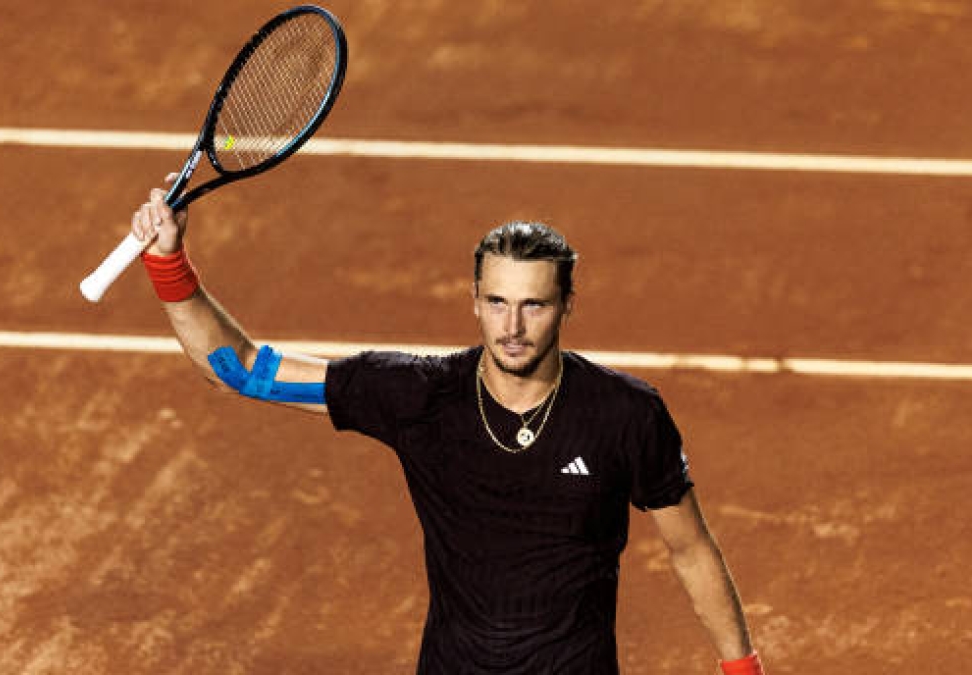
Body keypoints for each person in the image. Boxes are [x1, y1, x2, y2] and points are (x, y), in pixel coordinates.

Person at [128, 177, 767, 675]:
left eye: (533, 304)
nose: (511, 327)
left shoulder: (626, 414)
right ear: (474, 301)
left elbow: (690, 547)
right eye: (496, 302)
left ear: (567, 306)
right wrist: (169, 261)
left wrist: (743, 666)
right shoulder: (419, 395)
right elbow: (241, 371)